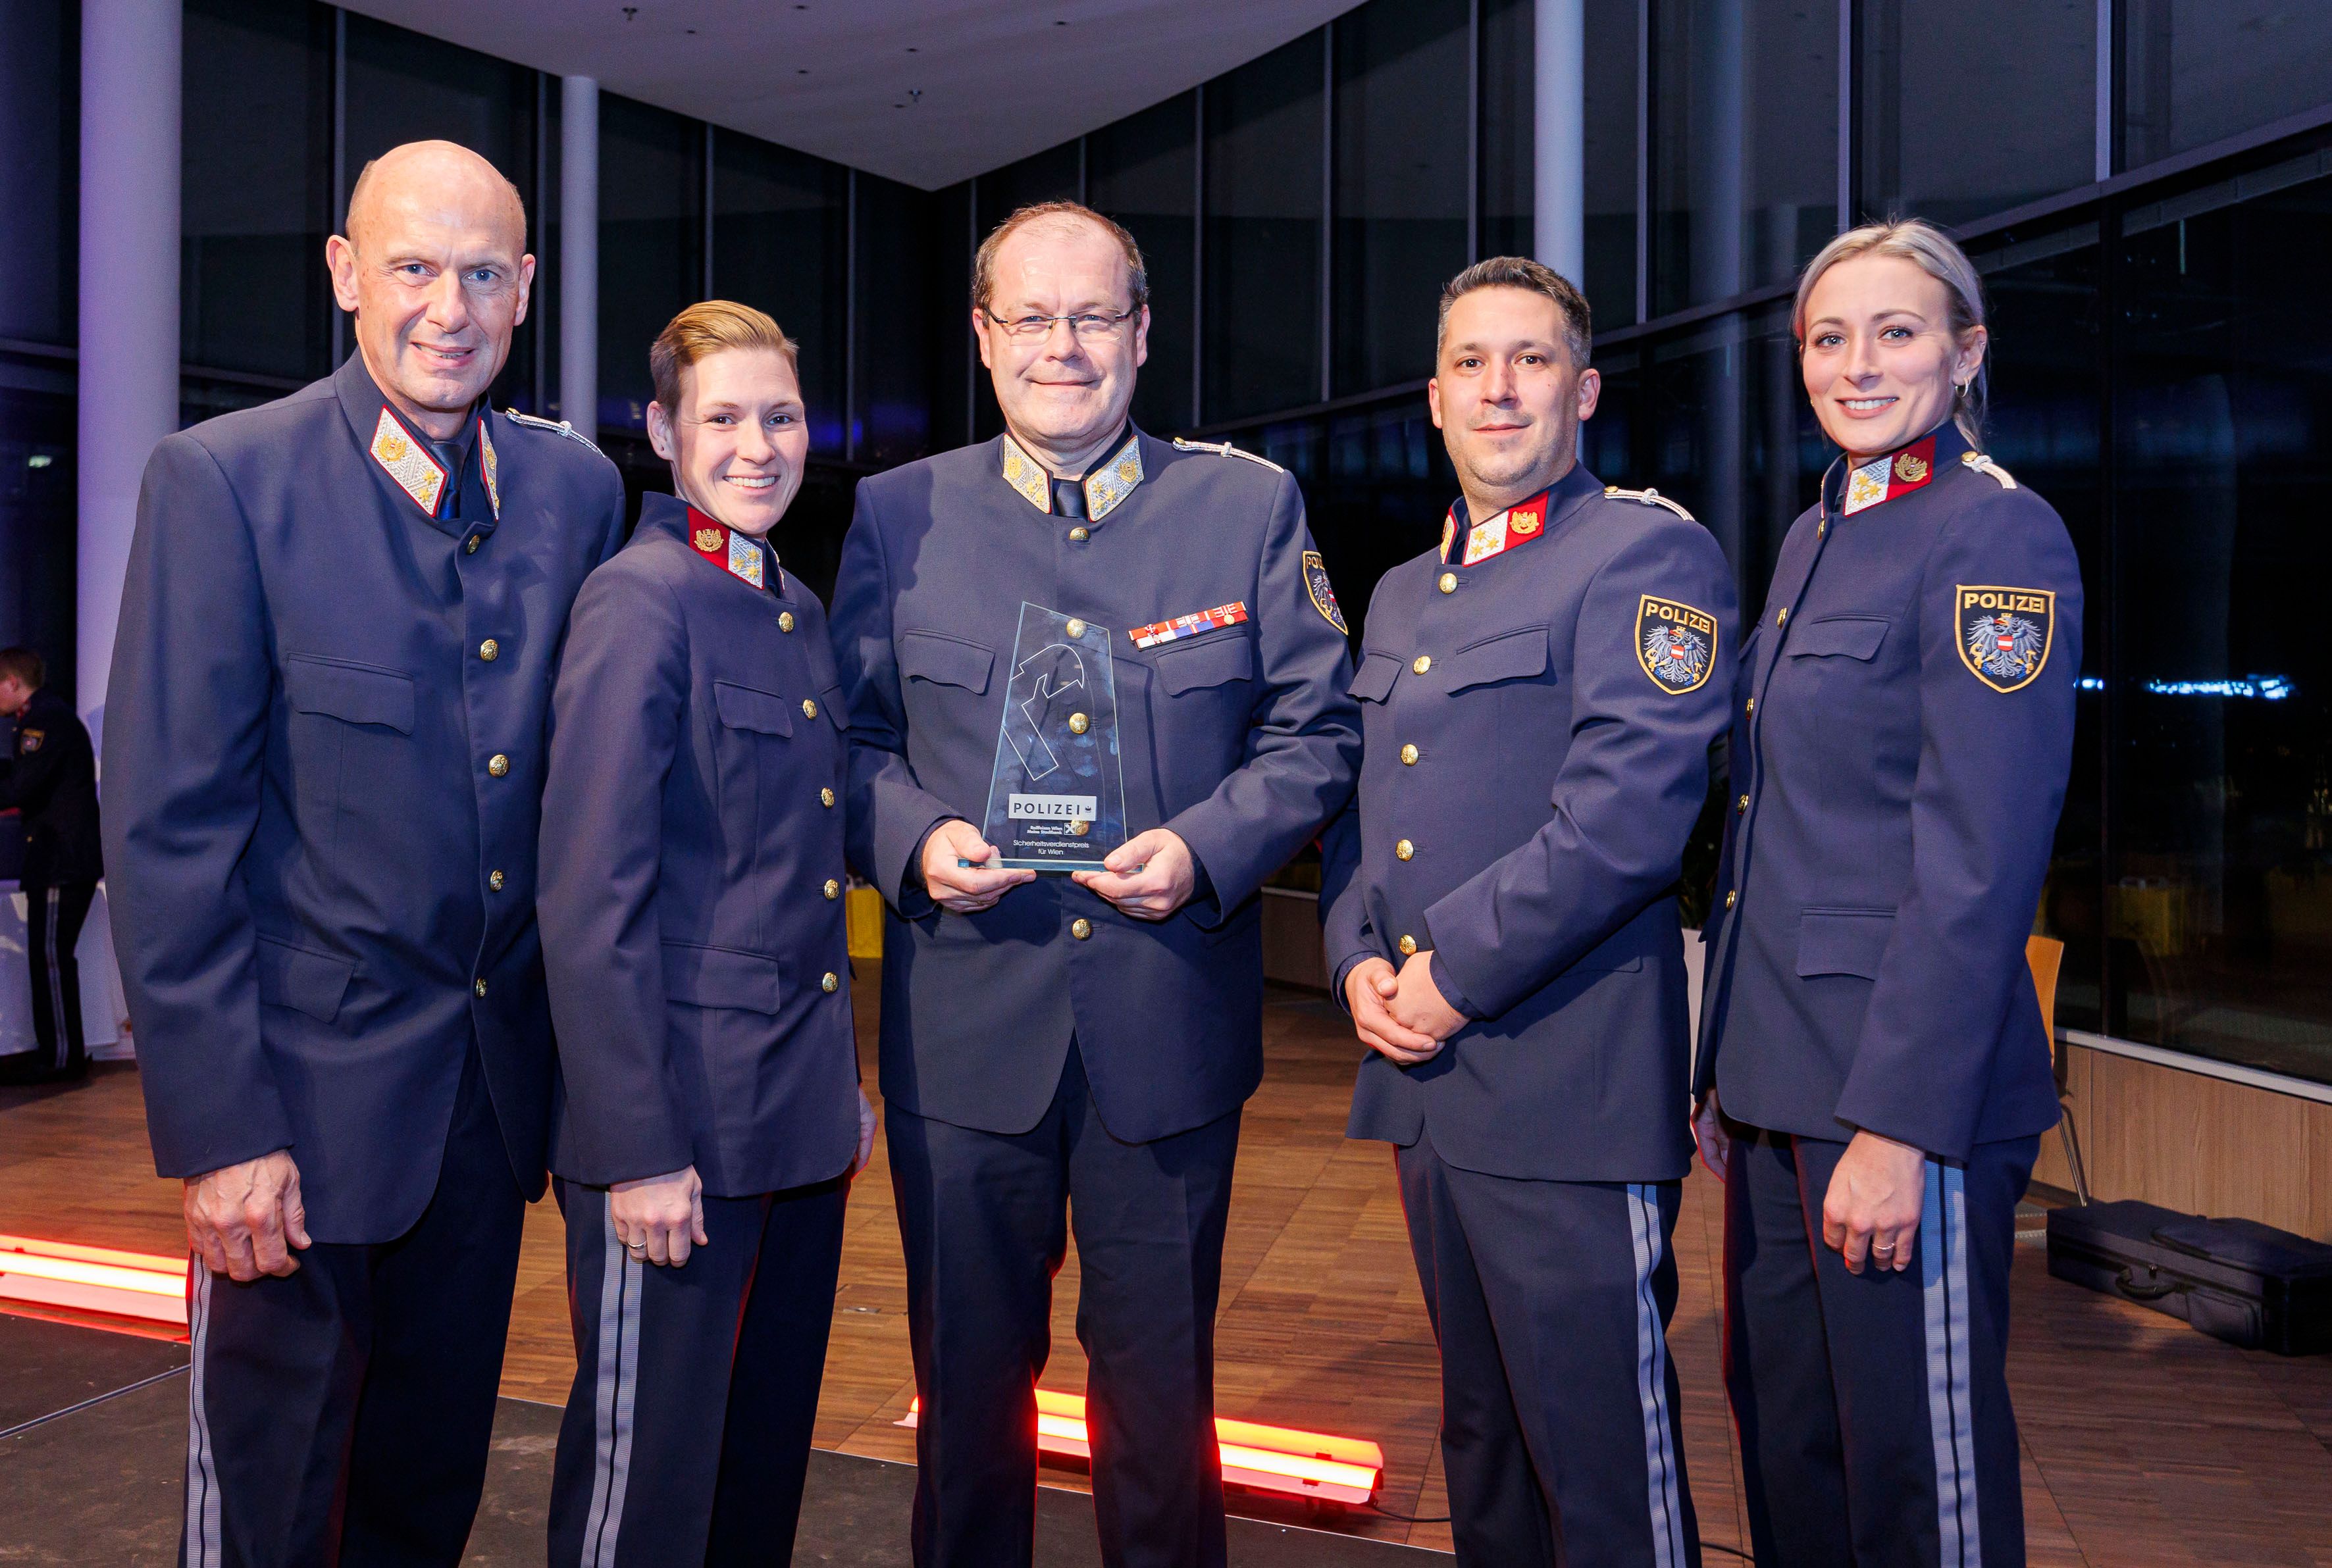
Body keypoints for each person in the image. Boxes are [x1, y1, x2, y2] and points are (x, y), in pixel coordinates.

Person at [103, 140, 626, 1566]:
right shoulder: (224, 481)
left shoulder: (576, 495)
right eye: (410, 267)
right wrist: (221, 1134)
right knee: (271, 1514)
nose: (445, 308)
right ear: (344, 275)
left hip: (488, 1112)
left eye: (478, 274)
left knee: (425, 1494)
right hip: (293, 1127)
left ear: (523, 290)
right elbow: (169, 824)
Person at [829, 201, 1360, 1568]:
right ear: (981, 336)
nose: (1061, 347)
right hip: (964, 1037)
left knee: (1159, 1407)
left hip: (1163, 1031)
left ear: (1139, 332)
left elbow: (1319, 733)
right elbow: (847, 742)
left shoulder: (1244, 507)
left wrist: (1205, 848)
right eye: (1030, 318)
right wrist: (909, 843)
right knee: (964, 1406)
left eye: (1091, 317)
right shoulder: (900, 515)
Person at [1318, 257, 1736, 1568]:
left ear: (1583, 389)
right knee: (1484, 1450)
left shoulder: (1647, 552)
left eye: (1531, 359)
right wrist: (1349, 965)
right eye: (1470, 363)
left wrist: (1443, 971)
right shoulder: (1398, 592)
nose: (1498, 388)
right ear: (1431, 399)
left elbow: (1626, 818)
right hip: (1424, 1088)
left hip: (1565, 1085)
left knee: (1600, 1461)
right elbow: (1359, 814)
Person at [1691, 218, 2081, 1568]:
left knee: (1915, 1477)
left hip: (1896, 1098)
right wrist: (1717, 1072)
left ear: (1965, 353)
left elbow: (1976, 861)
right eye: (1828, 337)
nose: (1856, 366)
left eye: (1897, 332)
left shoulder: (1994, 536)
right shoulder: (1817, 534)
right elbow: (1771, 831)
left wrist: (1896, 1128)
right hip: (1777, 1089)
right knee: (1792, 1448)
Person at [537, 301, 876, 1567]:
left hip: (790, 1128)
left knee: (755, 1468)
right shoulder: (640, 599)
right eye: (722, 417)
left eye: (778, 416)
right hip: (674, 1140)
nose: (756, 445)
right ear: (662, 432)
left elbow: (784, 882)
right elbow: (589, 892)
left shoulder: (786, 600)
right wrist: (634, 1147)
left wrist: (840, 1090)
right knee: (647, 1494)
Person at [0, 647, 103, 1085]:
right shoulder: (43, 716)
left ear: (11, 682)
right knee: (49, 958)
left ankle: (62, 1057)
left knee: (52, 958)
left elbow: (24, 783)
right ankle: (57, 1052)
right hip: (58, 858)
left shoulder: (44, 720)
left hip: (62, 860)